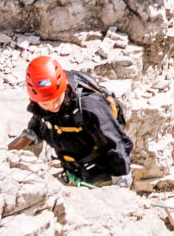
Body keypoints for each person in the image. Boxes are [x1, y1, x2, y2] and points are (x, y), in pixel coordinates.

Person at [7, 54, 134, 187]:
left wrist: (122, 180)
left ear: (64, 87)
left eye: (57, 100)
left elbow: (116, 143)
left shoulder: (89, 106)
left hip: (101, 172)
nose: (52, 106)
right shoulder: (41, 101)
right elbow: (40, 119)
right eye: (45, 104)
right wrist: (31, 134)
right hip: (74, 169)